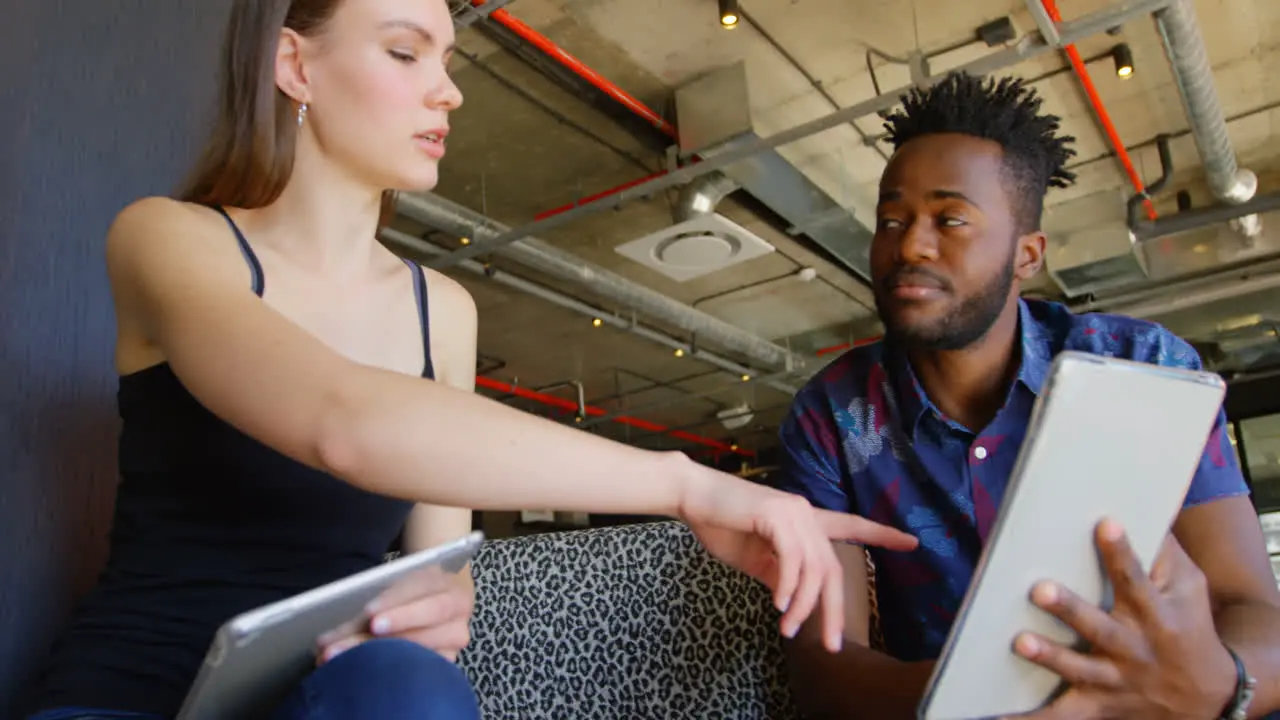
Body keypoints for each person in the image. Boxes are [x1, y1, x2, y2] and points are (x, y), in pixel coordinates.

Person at [25, 1, 920, 719]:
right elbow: (344, 421)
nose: (449, 92)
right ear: (296, 66)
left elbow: (437, 571)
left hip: (327, 697)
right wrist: (691, 486)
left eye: (448, 60)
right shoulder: (167, 239)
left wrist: (441, 614)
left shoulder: (440, 311)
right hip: (135, 692)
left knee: (411, 688)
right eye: (407, 52)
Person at [776, 71, 1280, 719]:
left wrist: (1217, 684)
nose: (909, 244)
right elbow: (826, 668)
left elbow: (1256, 611)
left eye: (950, 219)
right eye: (891, 219)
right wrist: (1022, 702)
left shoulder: (1140, 366)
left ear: (1027, 255)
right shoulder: (832, 415)